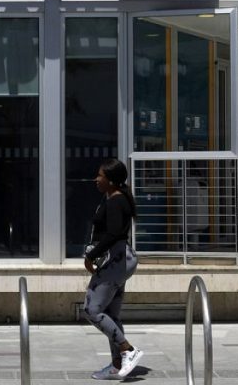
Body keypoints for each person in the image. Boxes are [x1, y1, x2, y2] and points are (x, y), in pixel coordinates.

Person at [84, 159, 143, 380]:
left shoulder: (116, 201)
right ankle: (118, 365)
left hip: (116, 261)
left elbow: (114, 234)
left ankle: (128, 350)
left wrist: (90, 256)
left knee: (92, 309)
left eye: (100, 175)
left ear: (110, 180)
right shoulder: (114, 197)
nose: (96, 179)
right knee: (110, 314)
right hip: (121, 260)